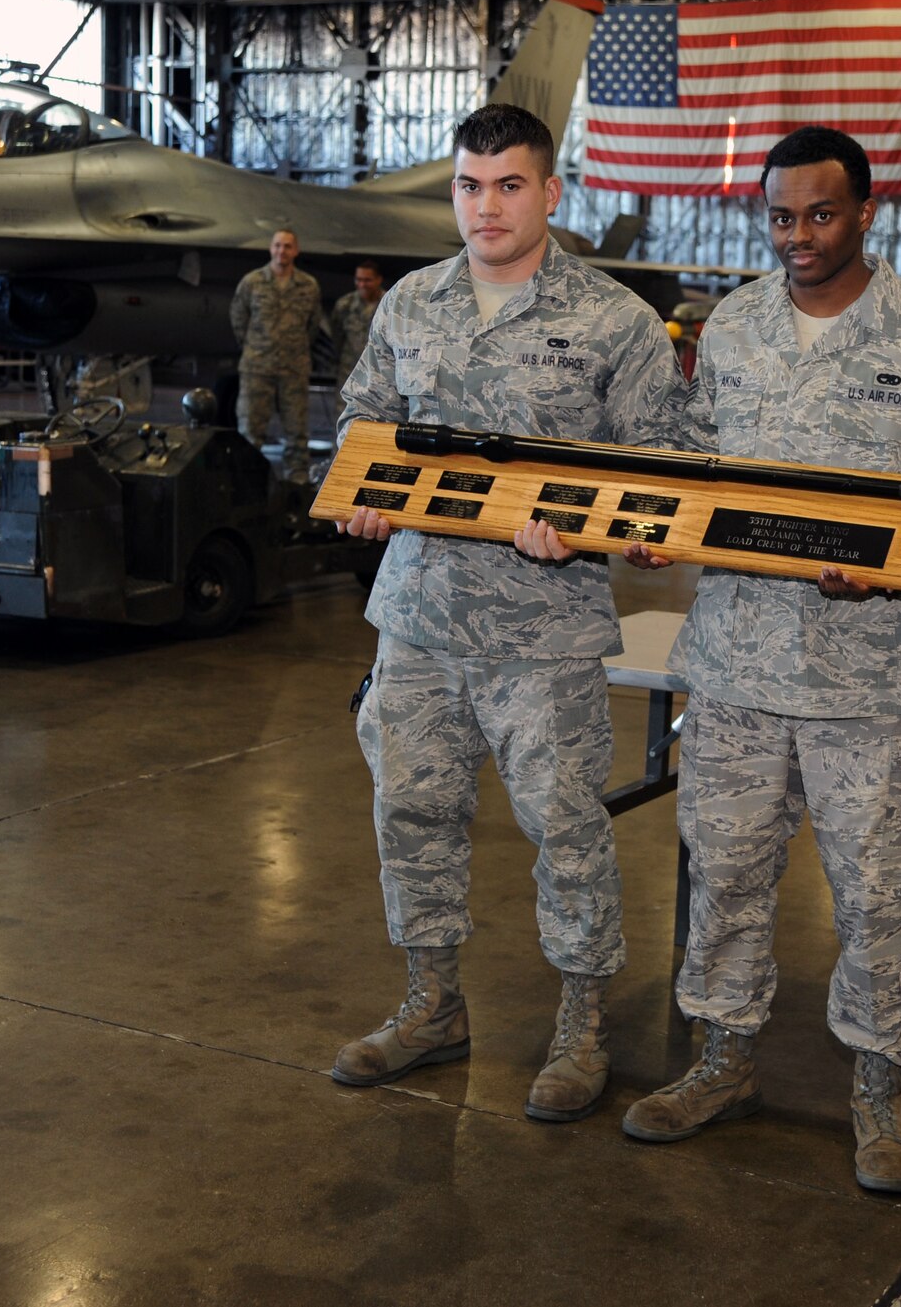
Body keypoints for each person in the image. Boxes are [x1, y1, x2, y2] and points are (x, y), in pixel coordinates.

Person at [612, 127, 901, 1194]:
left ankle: (879, 1087)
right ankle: (722, 1060)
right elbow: (692, 461)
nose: (796, 237)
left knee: (877, 892)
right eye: (779, 217)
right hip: (735, 666)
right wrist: (653, 522)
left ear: (865, 212)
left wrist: (890, 566)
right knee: (724, 877)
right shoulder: (730, 326)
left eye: (819, 215)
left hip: (867, 677)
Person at [327, 103, 685, 1124]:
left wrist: (585, 526)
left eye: (509, 185)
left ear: (550, 191)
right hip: (419, 618)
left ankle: (581, 1027)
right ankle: (432, 1004)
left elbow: (658, 469)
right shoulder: (409, 303)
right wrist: (361, 485)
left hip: (542, 629)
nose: (485, 206)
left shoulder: (613, 319)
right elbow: (365, 418)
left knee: (564, 827)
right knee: (412, 813)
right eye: (468, 186)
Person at [229, 228, 323, 482]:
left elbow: (312, 326)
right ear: (271, 248)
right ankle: (247, 482)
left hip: (293, 369)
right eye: (278, 245)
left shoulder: (308, 286)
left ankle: (297, 483)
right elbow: (239, 319)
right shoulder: (252, 282)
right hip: (257, 368)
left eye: (288, 246)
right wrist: (256, 348)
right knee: (251, 430)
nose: (282, 251)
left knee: (297, 431)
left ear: (296, 250)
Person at [330, 259, 385, 387]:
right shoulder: (345, 305)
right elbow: (337, 337)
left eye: (367, 280)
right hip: (350, 372)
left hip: (380, 374)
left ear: (379, 279)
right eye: (358, 280)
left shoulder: (390, 305)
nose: (362, 284)